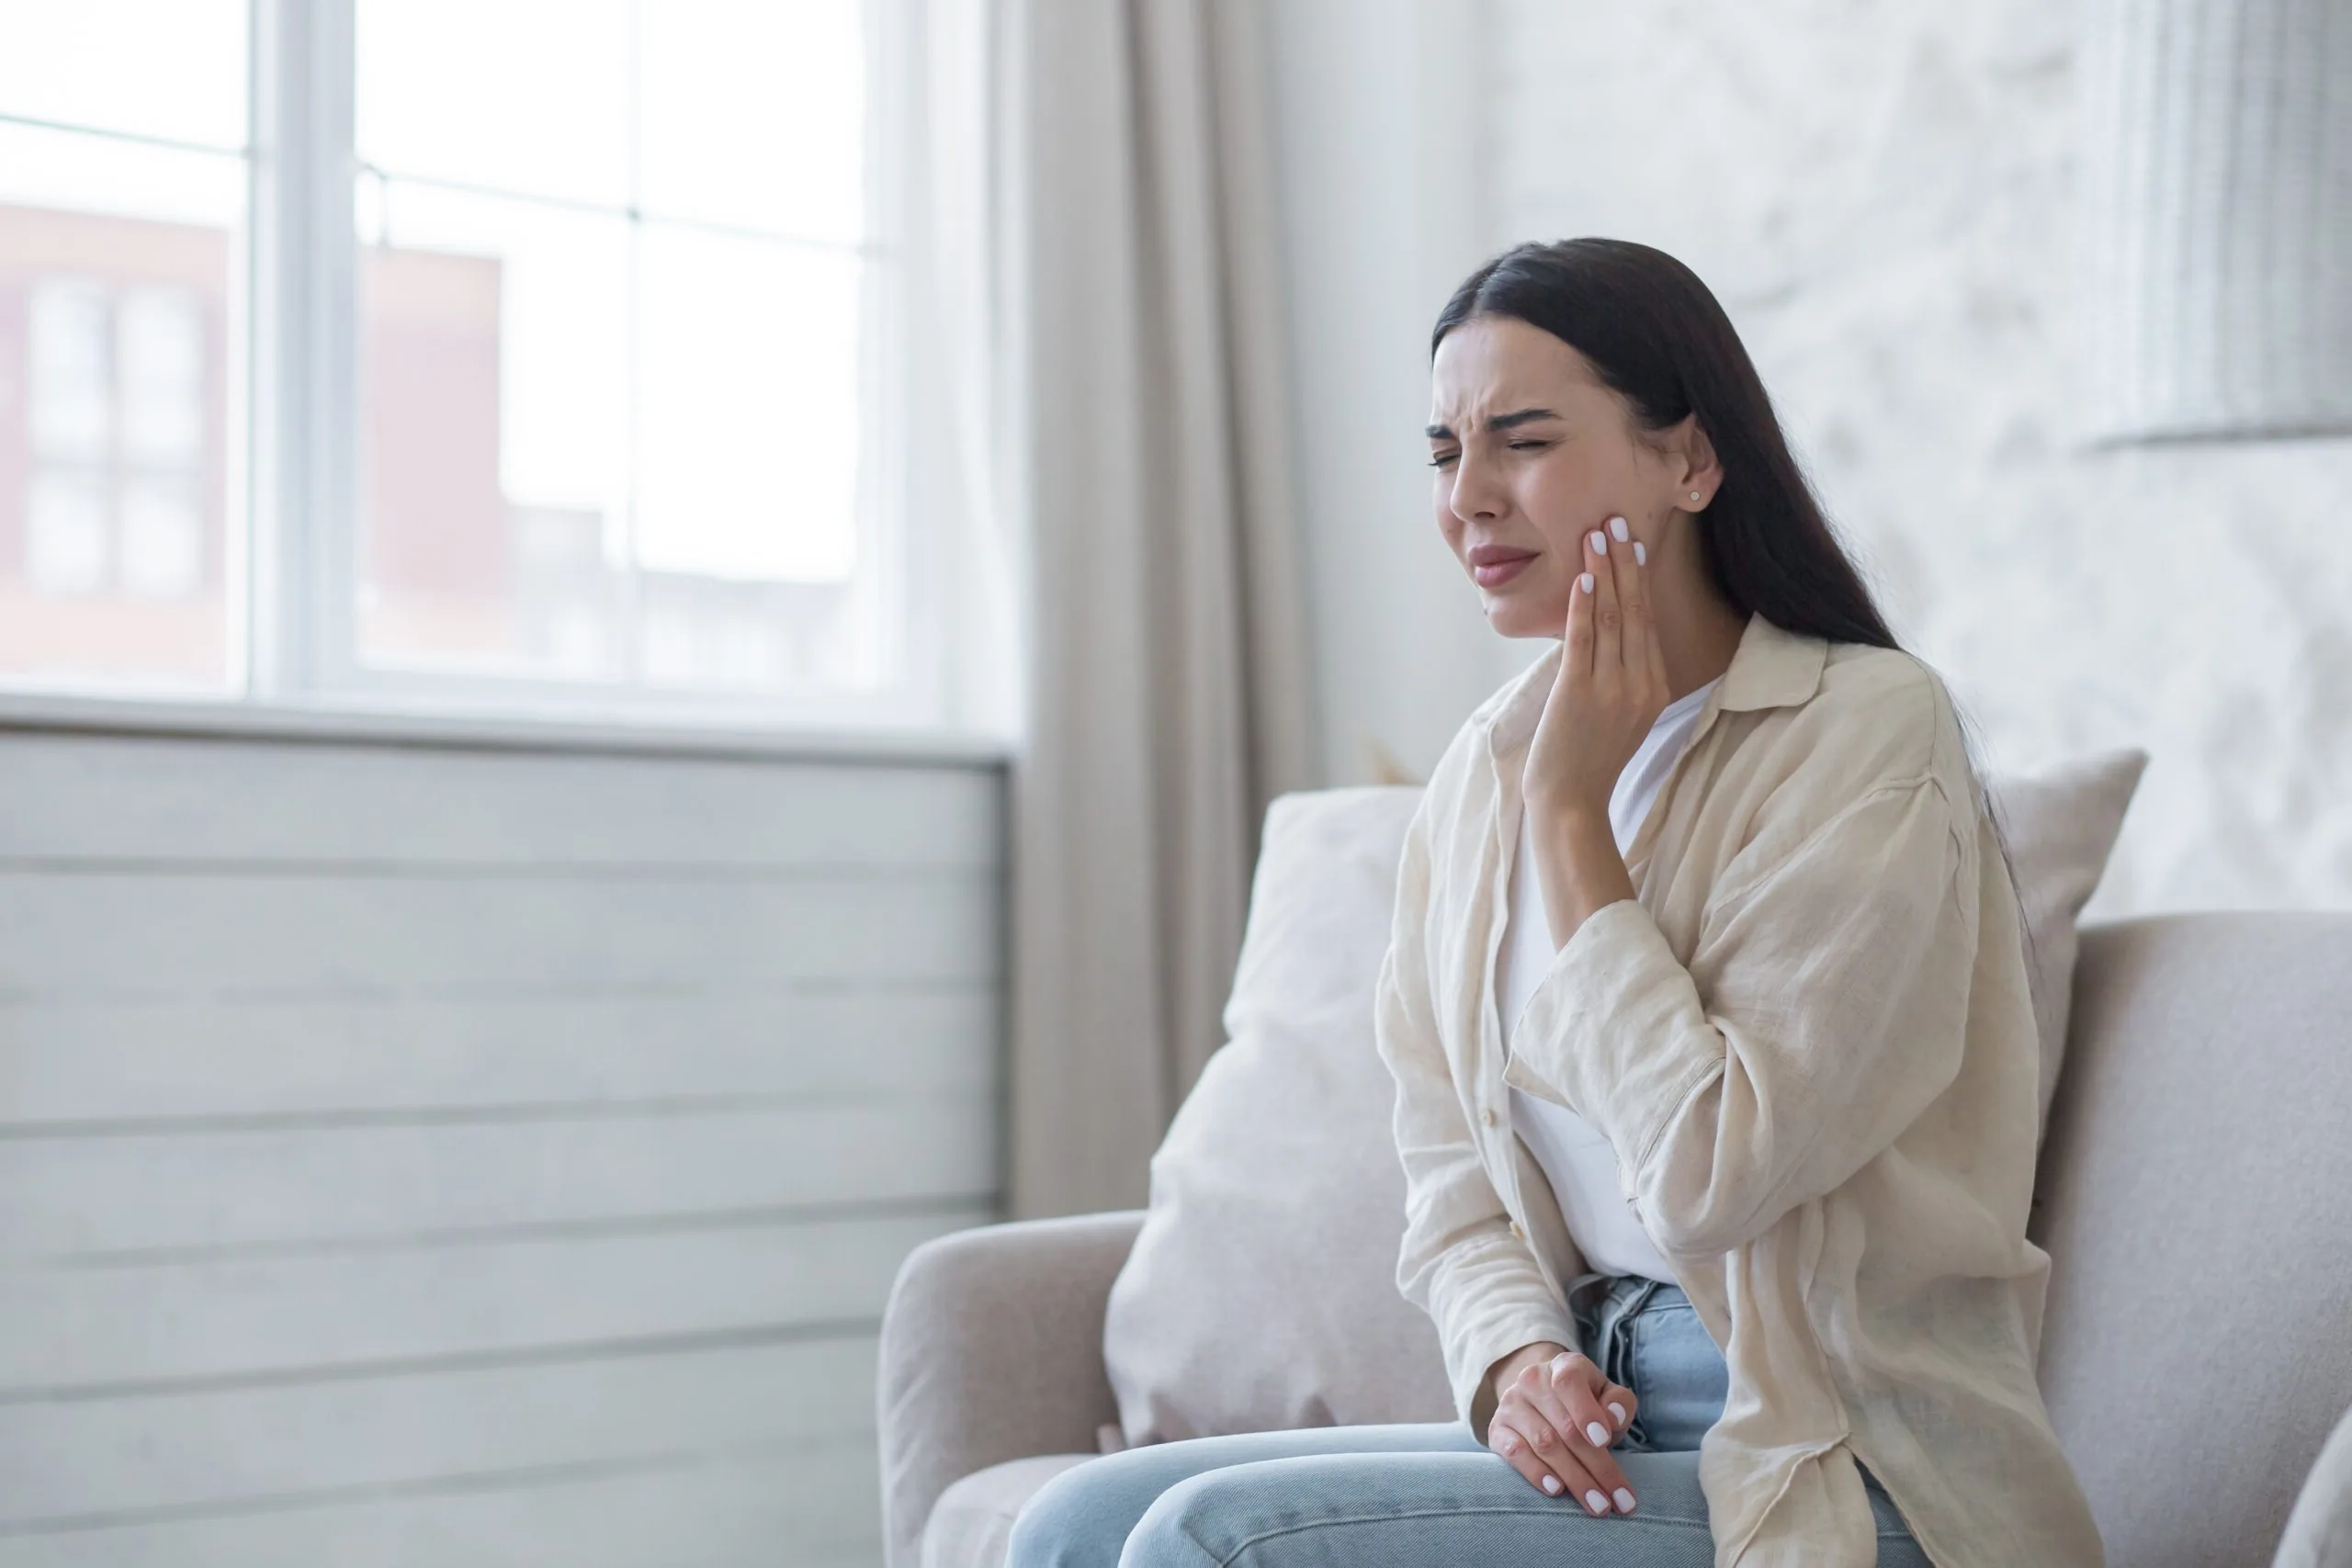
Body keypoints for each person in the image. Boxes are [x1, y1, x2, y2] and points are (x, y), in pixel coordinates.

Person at [1004, 238, 2103, 1567]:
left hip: (1837, 1453)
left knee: (1217, 1542)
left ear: (1690, 462)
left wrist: (1575, 820)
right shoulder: (1483, 769)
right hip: (1606, 1411)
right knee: (1072, 1522)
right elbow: (1451, 1171)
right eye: (1442, 452)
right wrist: (1517, 1351)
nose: (1469, 496)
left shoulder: (1862, 732)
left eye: (1521, 441)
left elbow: (1712, 1170)